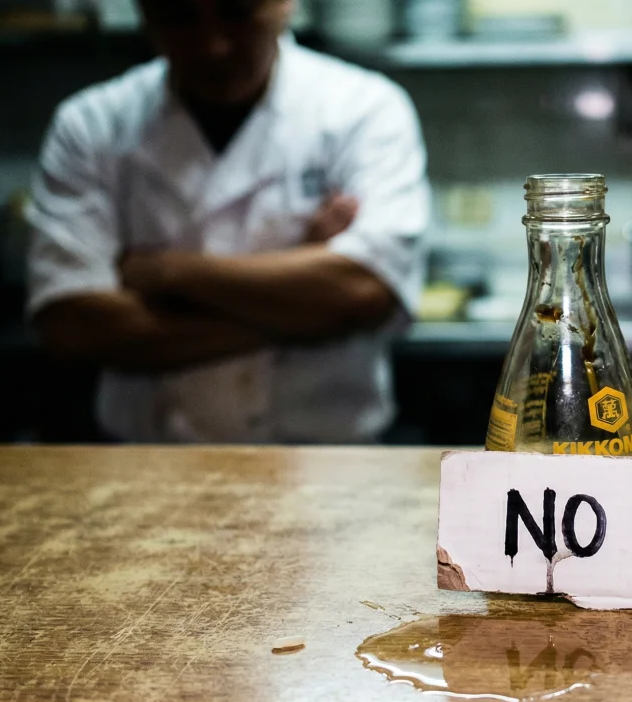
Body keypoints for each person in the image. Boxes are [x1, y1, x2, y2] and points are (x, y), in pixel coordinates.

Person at [26, 0, 429, 443]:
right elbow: (73, 326)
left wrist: (166, 273)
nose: (213, 46)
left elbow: (368, 290)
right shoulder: (89, 125)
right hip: (151, 466)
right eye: (179, 17)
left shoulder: (364, 108)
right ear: (144, 12)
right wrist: (306, 303)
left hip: (328, 466)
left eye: (238, 13)